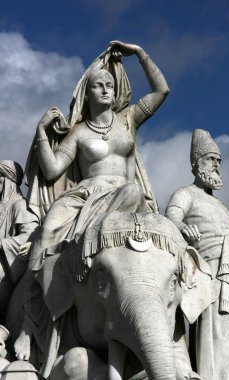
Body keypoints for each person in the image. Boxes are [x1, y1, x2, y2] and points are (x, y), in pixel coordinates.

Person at [14, 40, 169, 371]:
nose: (106, 90)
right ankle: (28, 325)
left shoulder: (128, 119)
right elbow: (54, 169)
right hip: (84, 197)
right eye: (99, 85)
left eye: (110, 85)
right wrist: (42, 131)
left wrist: (140, 53)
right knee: (42, 240)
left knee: (137, 202)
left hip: (124, 194)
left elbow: (162, 91)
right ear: (88, 91)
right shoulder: (80, 132)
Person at [165, 129, 229, 379]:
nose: (216, 164)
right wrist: (183, 228)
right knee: (216, 332)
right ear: (196, 163)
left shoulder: (223, 206)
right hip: (209, 274)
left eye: (218, 160)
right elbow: (170, 218)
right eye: (210, 158)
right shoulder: (186, 194)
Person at [0, 161, 38, 323]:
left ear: (8, 181)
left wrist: (2, 243)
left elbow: (30, 234)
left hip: (8, 263)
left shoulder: (19, 204)